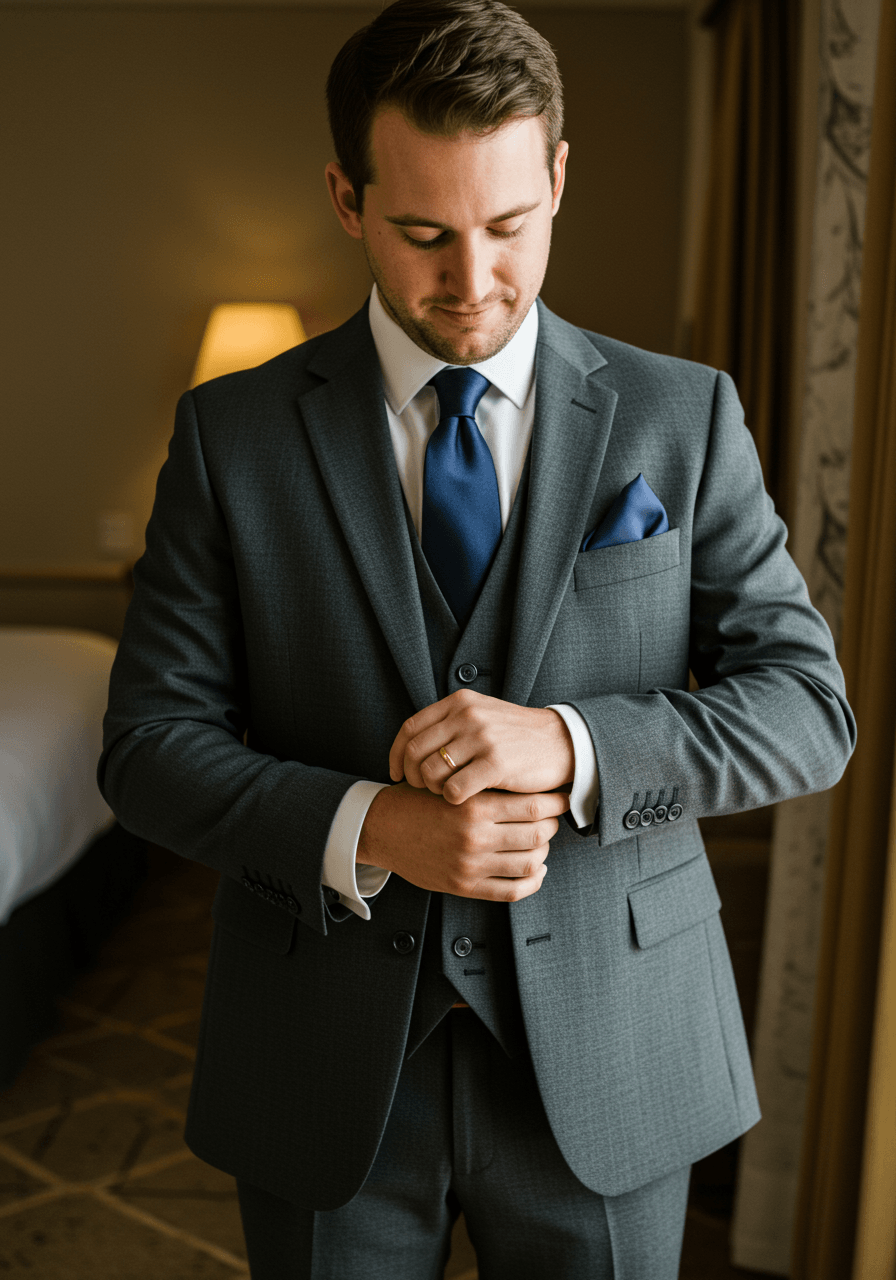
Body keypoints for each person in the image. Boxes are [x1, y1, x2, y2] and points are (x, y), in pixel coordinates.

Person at [99, 2, 856, 1276]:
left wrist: (569, 743)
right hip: (325, 1063)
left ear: (557, 176)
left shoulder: (683, 416)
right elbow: (146, 748)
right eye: (422, 233)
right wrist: (372, 827)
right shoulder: (231, 439)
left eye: (509, 225)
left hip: (615, 1059)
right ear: (345, 198)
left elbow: (806, 707)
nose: (472, 281)